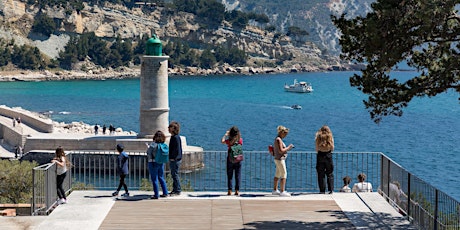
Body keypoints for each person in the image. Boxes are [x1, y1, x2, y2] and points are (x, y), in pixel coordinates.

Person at [272, 125, 294, 197]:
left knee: (277, 174)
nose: (285, 135)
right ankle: (282, 191)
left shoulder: (277, 139)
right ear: (282, 133)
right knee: (284, 174)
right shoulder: (279, 140)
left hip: (277, 158)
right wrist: (289, 148)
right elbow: (281, 150)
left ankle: (275, 190)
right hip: (280, 159)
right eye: (285, 134)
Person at [146, 130, 169, 199]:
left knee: (154, 179)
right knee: (161, 177)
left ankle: (156, 194)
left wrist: (148, 147)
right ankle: (165, 192)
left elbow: (149, 153)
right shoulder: (163, 144)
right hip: (161, 162)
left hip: (153, 162)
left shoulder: (153, 144)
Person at [221, 126, 243, 196]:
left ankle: (229, 190)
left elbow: (222, 141)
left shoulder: (229, 141)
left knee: (230, 175)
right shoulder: (240, 140)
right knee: (238, 175)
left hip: (230, 159)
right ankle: (237, 190)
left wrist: (225, 135)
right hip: (238, 159)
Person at [315, 125, 335, 194]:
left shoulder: (318, 137)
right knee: (330, 173)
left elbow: (316, 148)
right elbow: (332, 148)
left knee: (321, 174)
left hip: (320, 155)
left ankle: (322, 190)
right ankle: (331, 189)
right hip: (328, 155)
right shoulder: (330, 137)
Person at [168, 121, 183, 196]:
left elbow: (176, 149)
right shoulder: (174, 137)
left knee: (175, 175)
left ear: (174, 128)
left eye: (170, 127)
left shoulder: (175, 138)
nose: (168, 129)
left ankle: (177, 190)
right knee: (174, 174)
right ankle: (175, 189)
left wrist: (173, 158)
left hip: (175, 159)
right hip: (175, 159)